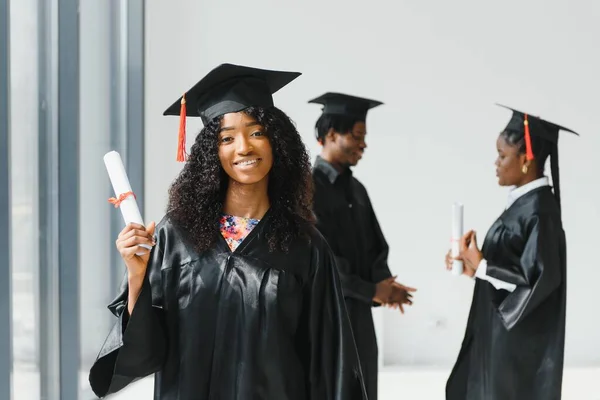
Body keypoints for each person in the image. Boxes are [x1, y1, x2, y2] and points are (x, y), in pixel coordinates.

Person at [88, 64, 368, 400]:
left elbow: (330, 359)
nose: (244, 147)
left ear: (277, 142)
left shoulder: (306, 246)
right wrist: (136, 278)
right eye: (226, 137)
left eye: (257, 132)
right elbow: (146, 352)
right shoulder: (175, 236)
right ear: (211, 152)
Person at [445, 104, 578, 400]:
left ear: (526, 159)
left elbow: (536, 281)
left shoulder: (540, 211)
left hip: (516, 347)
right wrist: (474, 267)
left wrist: (483, 267)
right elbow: (513, 268)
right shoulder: (524, 204)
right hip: (497, 335)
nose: (496, 162)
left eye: (502, 155)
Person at [309, 92, 417, 400]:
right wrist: (373, 291)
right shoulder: (307, 189)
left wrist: (384, 282)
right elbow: (322, 262)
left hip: (359, 316)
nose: (363, 144)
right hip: (327, 315)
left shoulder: (357, 189)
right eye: (357, 136)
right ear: (331, 135)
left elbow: (375, 247)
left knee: (364, 387)